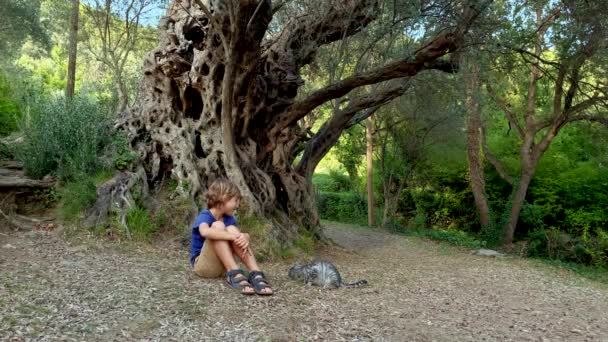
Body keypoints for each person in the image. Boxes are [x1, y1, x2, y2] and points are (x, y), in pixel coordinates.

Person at [190, 178, 273, 295]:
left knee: (232, 229)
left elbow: (236, 237)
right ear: (224, 198)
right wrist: (234, 236)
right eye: (236, 200)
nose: (238, 205)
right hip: (204, 267)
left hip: (223, 266)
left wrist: (244, 237)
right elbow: (205, 232)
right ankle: (234, 272)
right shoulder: (205, 215)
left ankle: (255, 271)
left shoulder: (229, 219)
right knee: (218, 226)